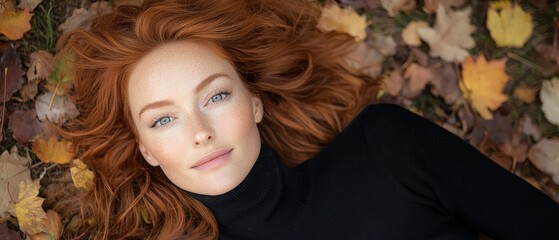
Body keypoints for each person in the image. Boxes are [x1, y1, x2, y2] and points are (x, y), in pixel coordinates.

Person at [57, 0, 559, 239]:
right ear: (146, 149)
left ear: (253, 102)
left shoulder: (388, 151)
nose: (199, 131)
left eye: (215, 97)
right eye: (163, 121)